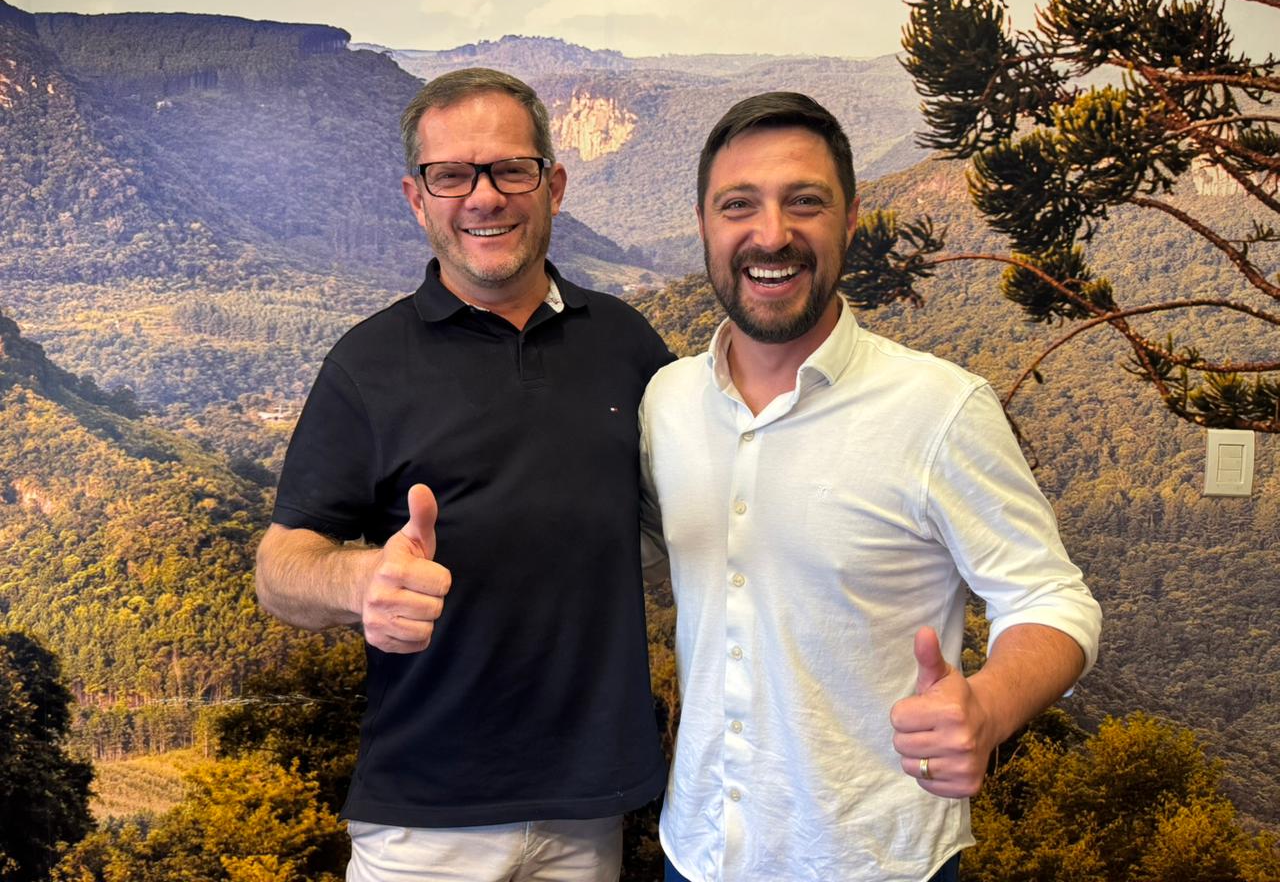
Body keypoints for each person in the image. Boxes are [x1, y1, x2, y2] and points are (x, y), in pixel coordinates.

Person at [639, 92, 1102, 882]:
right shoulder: (668, 401)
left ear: (851, 219)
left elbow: (1053, 600)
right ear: (704, 223)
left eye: (805, 202)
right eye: (739, 204)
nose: (771, 234)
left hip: (873, 861)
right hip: (699, 848)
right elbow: (641, 546)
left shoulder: (939, 409)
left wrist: (988, 707)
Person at [256, 67, 671, 882]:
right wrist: (361, 580)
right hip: (424, 825)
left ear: (554, 186)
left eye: (510, 170)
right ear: (418, 199)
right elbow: (278, 570)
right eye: (451, 175)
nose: (483, 197)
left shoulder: (627, 345)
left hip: (589, 811)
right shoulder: (368, 365)